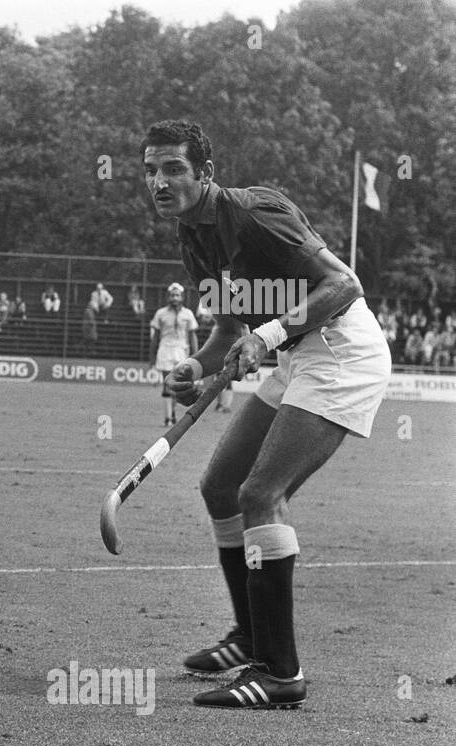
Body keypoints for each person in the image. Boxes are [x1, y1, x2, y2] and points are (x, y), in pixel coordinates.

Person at [145, 119, 390, 709]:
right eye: (151, 170)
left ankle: (281, 673)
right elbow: (229, 329)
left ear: (206, 173)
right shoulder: (192, 238)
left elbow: (343, 284)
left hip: (341, 351)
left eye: (174, 168)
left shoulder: (254, 214)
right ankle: (249, 636)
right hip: (298, 356)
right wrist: (198, 371)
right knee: (220, 487)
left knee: (261, 492)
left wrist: (271, 333)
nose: (159, 181)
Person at [148, 282, 198, 424]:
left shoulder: (188, 314)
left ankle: (173, 412)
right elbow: (155, 337)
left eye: (177, 295)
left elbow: (192, 336)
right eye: (172, 295)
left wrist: (195, 356)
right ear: (168, 297)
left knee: (177, 385)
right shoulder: (161, 313)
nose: (174, 298)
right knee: (167, 384)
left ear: (182, 297)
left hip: (181, 351)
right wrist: (151, 358)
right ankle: (167, 418)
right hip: (165, 350)